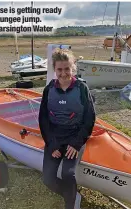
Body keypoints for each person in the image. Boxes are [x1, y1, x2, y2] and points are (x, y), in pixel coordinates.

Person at [38, 48, 96, 209]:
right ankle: (71, 194)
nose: (63, 73)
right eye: (59, 69)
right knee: (48, 179)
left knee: (67, 174)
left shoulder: (82, 88)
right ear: (54, 69)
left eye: (67, 69)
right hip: (55, 138)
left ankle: (70, 205)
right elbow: (43, 119)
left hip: (75, 137)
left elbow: (89, 117)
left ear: (73, 68)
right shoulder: (49, 90)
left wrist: (77, 143)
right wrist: (52, 143)